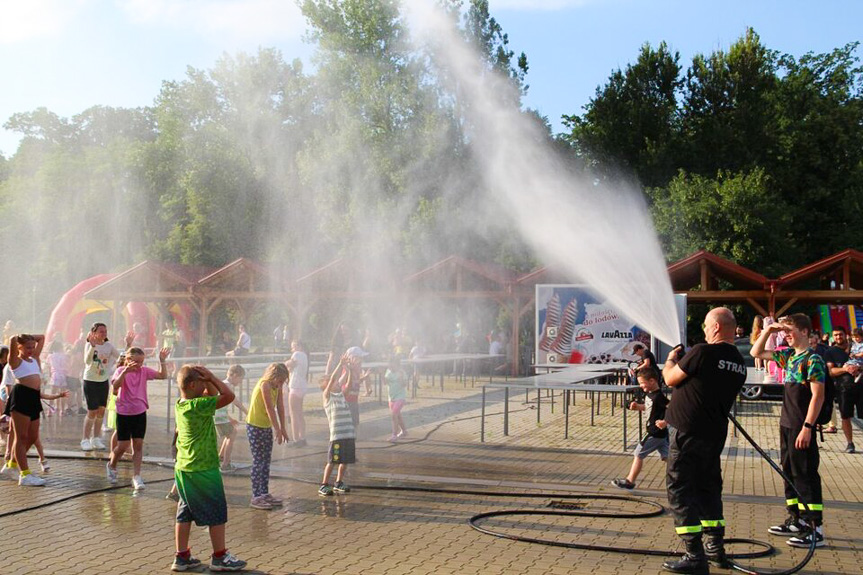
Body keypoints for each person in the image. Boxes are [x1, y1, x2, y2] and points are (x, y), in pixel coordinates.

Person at [661, 307, 747, 574]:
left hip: (687, 432)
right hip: (713, 434)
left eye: (707, 326)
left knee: (680, 489)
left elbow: (671, 379)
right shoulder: (739, 361)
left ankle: (694, 555)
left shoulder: (702, 351)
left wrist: (669, 361)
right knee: (708, 489)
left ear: (717, 328)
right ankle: (715, 550)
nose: (705, 331)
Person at [751, 313, 826, 548]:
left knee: (805, 475)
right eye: (784, 332)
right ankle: (796, 519)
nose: (786, 336)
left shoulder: (813, 360)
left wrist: (807, 427)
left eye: (790, 331)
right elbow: (756, 353)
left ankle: (815, 528)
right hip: (786, 424)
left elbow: (818, 396)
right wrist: (769, 331)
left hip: (800, 426)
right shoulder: (789, 356)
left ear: (805, 332)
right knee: (789, 472)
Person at [172, 365, 247, 572]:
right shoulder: (199, 406)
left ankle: (182, 557)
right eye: (202, 383)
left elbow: (213, 395)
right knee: (217, 512)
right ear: (195, 384)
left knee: (185, 511)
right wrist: (213, 377)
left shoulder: (181, 404)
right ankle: (220, 557)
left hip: (184, 468)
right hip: (203, 468)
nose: (206, 387)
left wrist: (208, 381)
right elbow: (228, 396)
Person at [6, 334, 69, 486]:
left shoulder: (34, 359)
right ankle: (25, 475)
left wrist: (29, 338)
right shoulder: (15, 361)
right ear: (19, 347)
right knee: (21, 436)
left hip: (34, 397)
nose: (31, 350)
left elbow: (41, 337)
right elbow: (12, 339)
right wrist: (20, 338)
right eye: (27, 347)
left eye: (32, 347)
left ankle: (12, 465)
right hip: (21, 396)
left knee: (33, 436)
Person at [105, 346, 169, 489]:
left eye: (141, 362)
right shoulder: (121, 371)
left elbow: (162, 376)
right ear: (128, 360)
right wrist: (125, 372)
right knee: (122, 445)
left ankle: (137, 476)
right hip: (124, 412)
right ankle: (111, 465)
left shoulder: (144, 371)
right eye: (136, 362)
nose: (139, 365)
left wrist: (162, 361)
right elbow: (115, 385)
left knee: (138, 445)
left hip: (139, 411)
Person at [612, 366, 668, 490]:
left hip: (654, 432)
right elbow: (649, 407)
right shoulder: (650, 395)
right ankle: (689, 477)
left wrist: (666, 421)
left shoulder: (659, 397)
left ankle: (630, 481)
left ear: (652, 381)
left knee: (638, 453)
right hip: (661, 435)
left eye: (642, 383)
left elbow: (673, 409)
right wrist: (638, 406)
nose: (641, 386)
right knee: (668, 458)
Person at [245, 363, 289, 510]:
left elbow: (280, 406)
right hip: (255, 426)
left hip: (266, 426)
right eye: (280, 381)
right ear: (273, 376)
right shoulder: (264, 385)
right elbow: (270, 408)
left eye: (283, 381)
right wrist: (277, 429)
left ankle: (264, 493)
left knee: (266, 460)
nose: (281, 384)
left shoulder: (277, 386)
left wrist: (283, 428)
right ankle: (256, 496)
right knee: (258, 460)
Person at [81, 323, 131, 451]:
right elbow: (87, 361)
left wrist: (128, 345)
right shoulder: (89, 345)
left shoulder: (108, 346)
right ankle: (85, 439)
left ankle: (96, 438)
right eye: (101, 331)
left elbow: (121, 357)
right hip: (90, 380)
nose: (104, 333)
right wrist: (92, 347)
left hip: (103, 381)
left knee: (101, 410)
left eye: (105, 331)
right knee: (92, 410)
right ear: (94, 333)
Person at [319, 355, 356, 497]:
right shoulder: (327, 397)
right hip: (337, 436)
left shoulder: (341, 395)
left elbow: (350, 385)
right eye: (332, 383)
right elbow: (333, 379)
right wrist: (340, 365)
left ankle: (339, 482)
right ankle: (324, 484)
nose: (336, 384)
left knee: (344, 460)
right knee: (332, 461)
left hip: (348, 434)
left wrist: (351, 371)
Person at [824, 325, 861, 453]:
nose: (838, 337)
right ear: (833, 337)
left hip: (861, 386)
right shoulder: (830, 352)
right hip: (843, 389)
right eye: (836, 335)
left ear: (846, 335)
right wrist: (845, 369)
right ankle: (850, 443)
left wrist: (859, 369)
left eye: (840, 334)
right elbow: (831, 371)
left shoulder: (857, 345)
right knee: (845, 416)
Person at [214, 364, 248, 472]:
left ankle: (221, 457)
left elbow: (220, 405)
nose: (240, 382)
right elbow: (235, 401)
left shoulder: (223, 384)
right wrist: (247, 412)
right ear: (235, 375)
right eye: (240, 379)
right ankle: (226, 464)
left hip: (218, 415)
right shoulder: (228, 386)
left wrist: (229, 418)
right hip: (219, 417)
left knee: (230, 433)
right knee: (232, 434)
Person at [339, 346, 371, 430]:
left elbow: (355, 382)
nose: (361, 360)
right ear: (351, 358)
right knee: (349, 422)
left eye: (361, 358)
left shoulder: (356, 368)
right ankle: (349, 438)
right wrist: (349, 370)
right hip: (347, 400)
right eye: (358, 358)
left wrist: (364, 378)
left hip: (354, 399)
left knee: (355, 423)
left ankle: (352, 439)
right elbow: (342, 382)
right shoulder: (347, 369)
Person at [285, 340, 309, 447]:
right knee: (299, 413)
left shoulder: (297, 354)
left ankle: (296, 439)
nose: (292, 350)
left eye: (293, 347)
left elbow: (288, 365)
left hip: (295, 386)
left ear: (299, 346)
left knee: (293, 413)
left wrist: (286, 363)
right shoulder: (305, 356)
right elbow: (291, 368)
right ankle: (302, 437)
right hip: (302, 385)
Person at [385, 355, 409, 442]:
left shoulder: (401, 372)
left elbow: (405, 384)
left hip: (400, 397)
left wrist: (401, 379)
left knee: (394, 415)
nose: (390, 367)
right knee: (398, 416)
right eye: (389, 365)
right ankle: (404, 431)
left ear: (397, 364)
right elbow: (385, 382)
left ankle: (394, 435)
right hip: (391, 397)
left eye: (392, 365)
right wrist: (381, 375)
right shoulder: (388, 371)